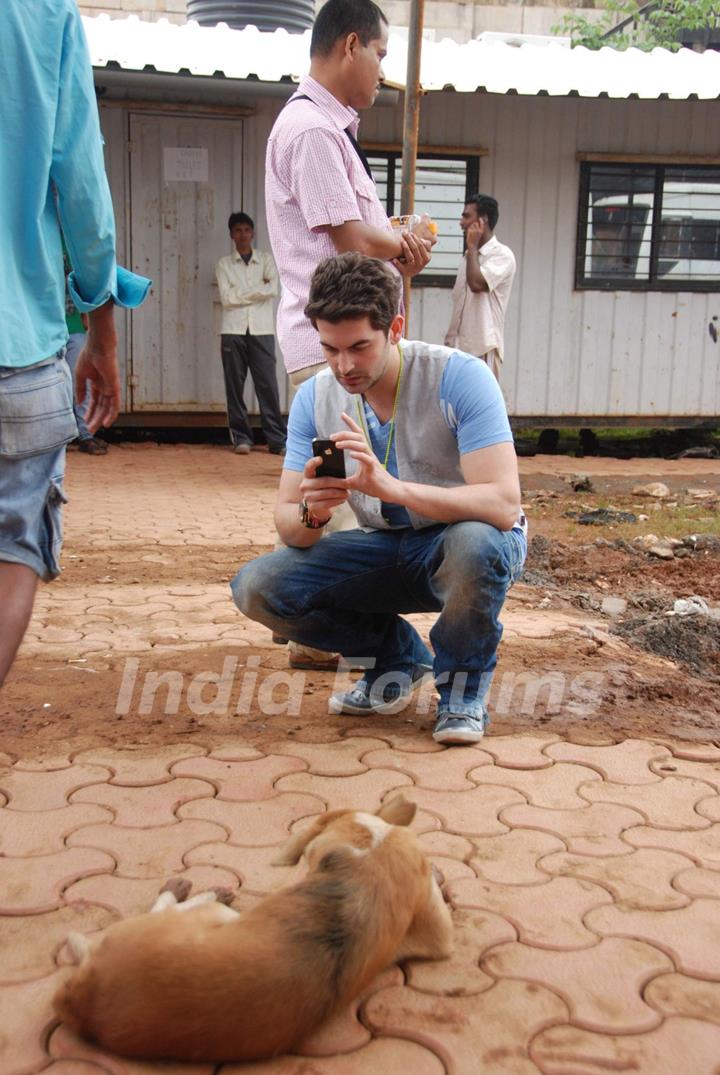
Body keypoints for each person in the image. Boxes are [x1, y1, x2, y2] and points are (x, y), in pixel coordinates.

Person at [231, 253, 527, 746]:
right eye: (330, 349)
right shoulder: (316, 398)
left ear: (395, 326)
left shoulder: (458, 378)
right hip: (387, 546)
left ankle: (461, 692)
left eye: (359, 347)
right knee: (257, 586)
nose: (344, 365)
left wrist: (391, 489)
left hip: (461, 544)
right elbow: (290, 524)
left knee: (476, 544)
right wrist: (315, 511)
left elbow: (503, 505)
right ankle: (398, 660)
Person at [0, 0, 150, 688]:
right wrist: (102, 327)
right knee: (12, 549)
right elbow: (79, 181)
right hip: (19, 339)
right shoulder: (44, 13)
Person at [265, 0, 435, 389]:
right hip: (341, 351)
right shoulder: (314, 130)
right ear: (351, 45)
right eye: (380, 54)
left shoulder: (324, 127)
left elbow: (353, 239)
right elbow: (353, 241)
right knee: (353, 451)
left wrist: (396, 251)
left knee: (364, 452)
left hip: (347, 346)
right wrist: (400, 244)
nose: (382, 71)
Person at [215, 212, 286, 455]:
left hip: (262, 331)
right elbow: (226, 299)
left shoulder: (266, 260)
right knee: (234, 386)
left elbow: (273, 288)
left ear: (253, 233)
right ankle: (241, 438)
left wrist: (242, 293)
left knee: (267, 385)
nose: (243, 235)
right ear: (231, 235)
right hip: (232, 331)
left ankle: (276, 440)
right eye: (238, 231)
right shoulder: (224, 264)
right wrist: (258, 290)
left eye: (246, 230)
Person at [445, 194, 516, 382]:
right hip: (459, 349)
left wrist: (473, 246)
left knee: (479, 409)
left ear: (481, 221)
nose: (461, 223)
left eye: (466, 216)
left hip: (482, 350)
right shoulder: (470, 257)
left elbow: (476, 284)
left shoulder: (502, 255)